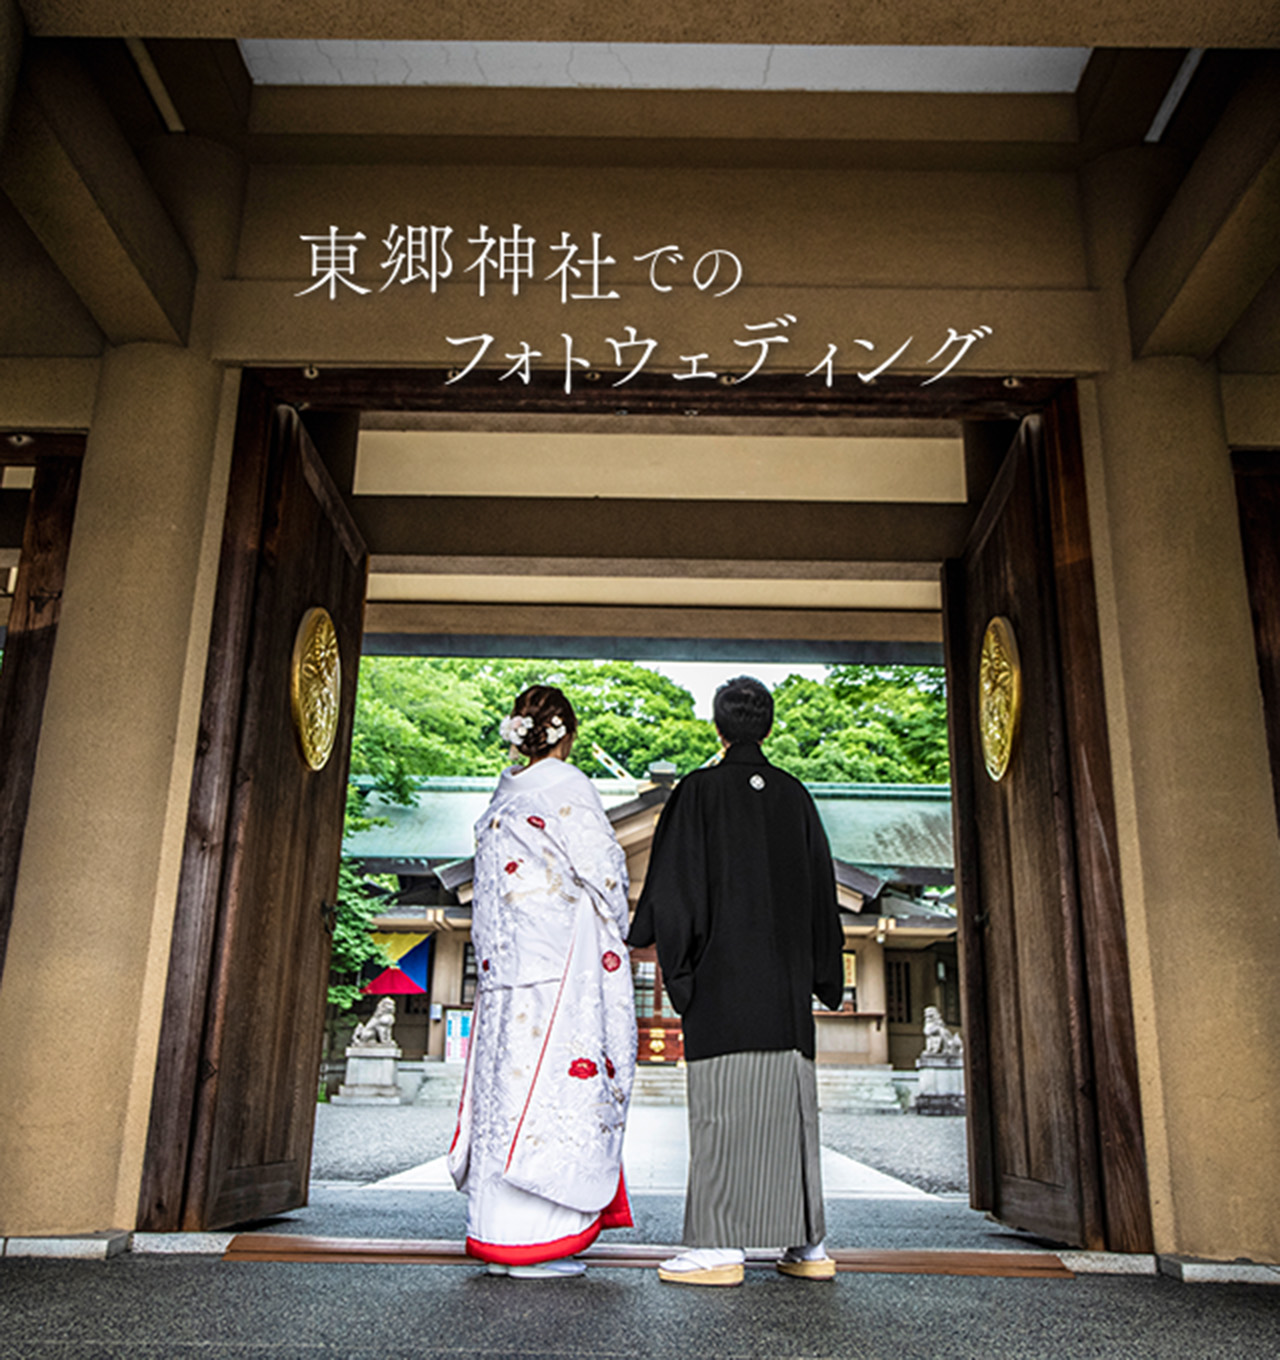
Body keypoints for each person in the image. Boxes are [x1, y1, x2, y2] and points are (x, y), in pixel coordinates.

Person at [627, 675, 844, 1286]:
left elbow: (675, 891)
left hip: (723, 983)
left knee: (724, 1111)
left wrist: (671, 956)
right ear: (767, 727)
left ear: (719, 728)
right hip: (784, 990)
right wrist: (822, 974)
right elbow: (821, 895)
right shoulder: (794, 796)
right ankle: (808, 1246)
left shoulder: (698, 792)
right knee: (791, 1112)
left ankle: (719, 1247)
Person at [449, 685, 636, 1280]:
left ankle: (497, 1233)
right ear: (567, 733)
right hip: (561, 964)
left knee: (506, 1088)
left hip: (507, 964)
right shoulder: (569, 788)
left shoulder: (500, 798)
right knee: (556, 1089)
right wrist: (621, 929)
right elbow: (604, 872)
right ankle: (541, 1238)